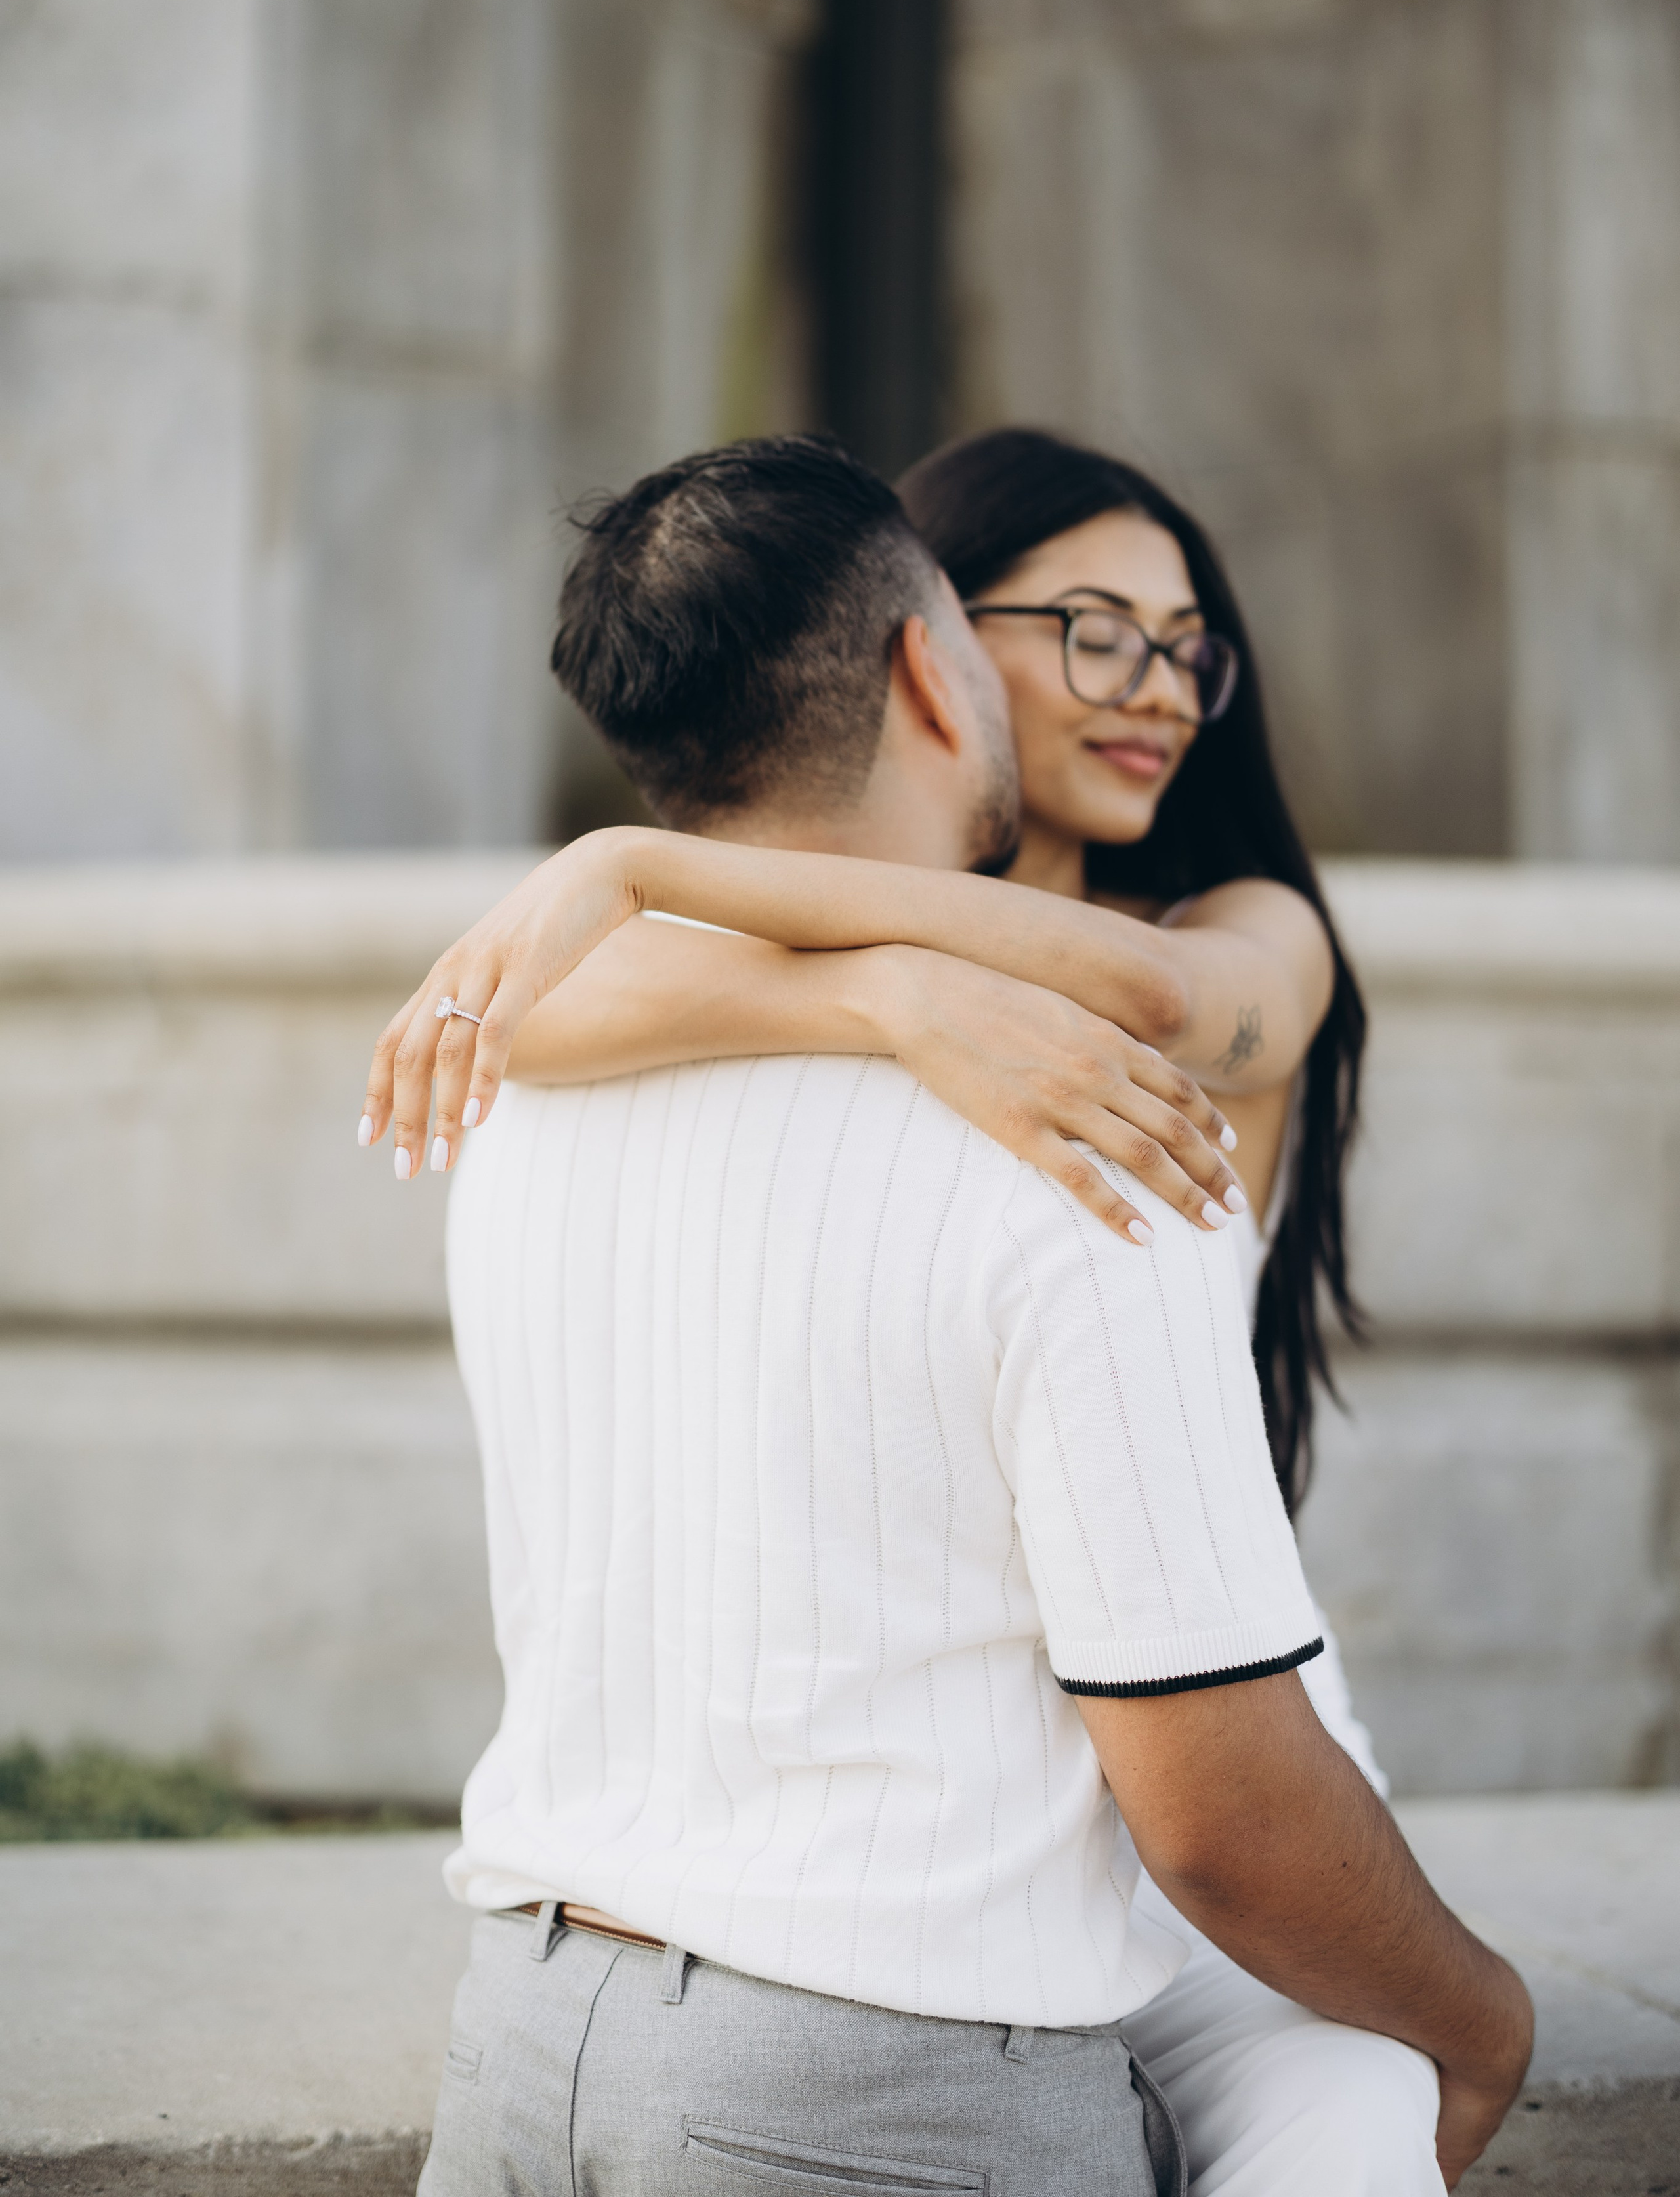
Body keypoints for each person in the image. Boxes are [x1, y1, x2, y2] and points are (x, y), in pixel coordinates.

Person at [373, 438, 1530, 2197]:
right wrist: (891, 996)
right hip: (977, 1874)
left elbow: (1151, 999)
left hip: (1179, 1764)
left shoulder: (1189, 990)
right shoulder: (858, 1042)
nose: (1159, 687)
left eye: (1186, 645)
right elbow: (518, 1022)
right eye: (1091, 628)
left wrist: (635, 866)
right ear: (931, 643)